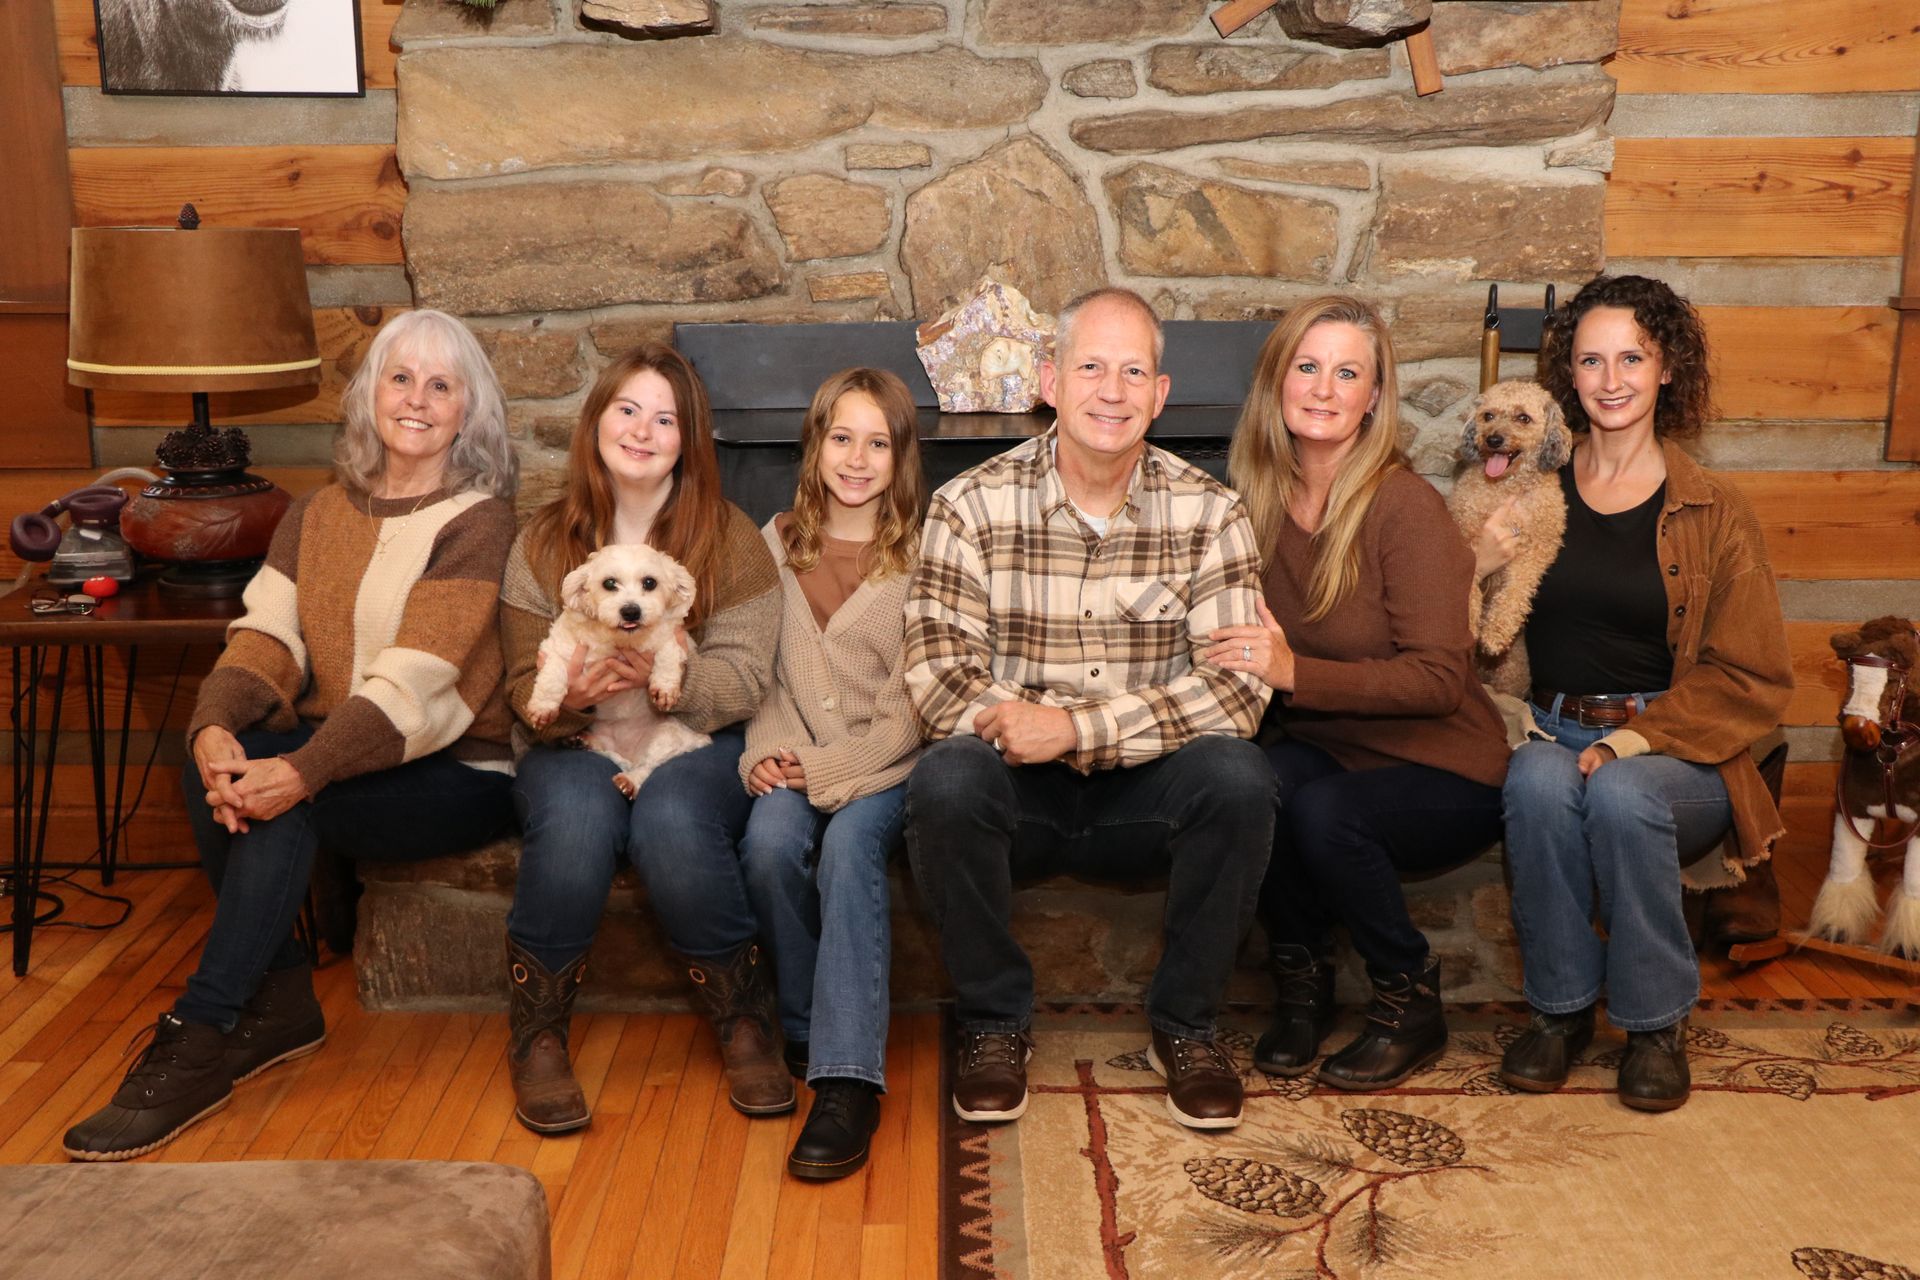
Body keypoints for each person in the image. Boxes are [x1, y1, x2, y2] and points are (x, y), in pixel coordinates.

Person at [64, 310, 521, 1161]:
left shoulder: (479, 522)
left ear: (469, 414)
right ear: (369, 395)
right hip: (343, 757)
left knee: (283, 802)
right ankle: (279, 1001)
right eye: (399, 377)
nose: (416, 400)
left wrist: (303, 772)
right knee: (224, 768)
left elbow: (418, 678)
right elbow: (266, 636)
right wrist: (212, 723)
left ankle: (201, 1034)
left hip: (458, 770)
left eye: (441, 385)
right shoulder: (315, 515)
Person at [905, 287, 1275, 1133]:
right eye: (1091, 367)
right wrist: (1021, 728)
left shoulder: (1210, 511)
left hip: (1147, 789)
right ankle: (994, 1022)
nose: (1112, 390)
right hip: (1015, 789)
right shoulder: (968, 504)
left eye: (1133, 370)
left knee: (1239, 775)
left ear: (1161, 394)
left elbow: (1237, 690)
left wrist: (1076, 728)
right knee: (947, 778)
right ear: (1050, 381)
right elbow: (935, 677)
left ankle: (1186, 1027)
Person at [1491, 274, 1792, 1111]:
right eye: (1591, 360)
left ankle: (1655, 1024)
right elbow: (1479, 621)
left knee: (1622, 796)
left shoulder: (1714, 509)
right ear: (1569, 377)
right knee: (1536, 784)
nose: (1612, 378)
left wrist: (1634, 739)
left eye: (1632, 356)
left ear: (1667, 369)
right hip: (1550, 728)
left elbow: (1754, 675)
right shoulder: (1530, 492)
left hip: (1677, 750)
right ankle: (1559, 1014)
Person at [1209, 295, 1510, 1091]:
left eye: (1348, 373)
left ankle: (1408, 995)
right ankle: (1302, 987)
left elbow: (1442, 679)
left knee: (1321, 809)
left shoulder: (1403, 507)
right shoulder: (1257, 502)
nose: (1324, 388)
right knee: (1253, 788)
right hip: (1336, 750)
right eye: (1307, 367)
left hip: (1447, 766)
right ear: (1277, 382)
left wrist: (1294, 675)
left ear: (1374, 398)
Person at [501, 342, 784, 1133]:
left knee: (672, 819)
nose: (642, 430)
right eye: (627, 410)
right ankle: (538, 1035)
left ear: (688, 440)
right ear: (597, 423)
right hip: (573, 740)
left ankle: (742, 1019)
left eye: (665, 419)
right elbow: (520, 683)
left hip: (694, 733)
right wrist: (570, 701)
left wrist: (670, 682)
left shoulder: (728, 538)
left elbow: (748, 677)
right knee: (580, 818)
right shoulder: (542, 542)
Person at [737, 367, 928, 1180]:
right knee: (770, 843)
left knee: (849, 848)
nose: (856, 458)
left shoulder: (923, 557)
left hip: (888, 769)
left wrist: (824, 769)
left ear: (900, 457)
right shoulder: (769, 546)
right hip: (791, 754)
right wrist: (766, 757)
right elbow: (760, 674)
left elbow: (918, 701)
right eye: (840, 438)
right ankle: (811, 1026)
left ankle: (848, 1083)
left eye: (876, 443)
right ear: (815, 447)